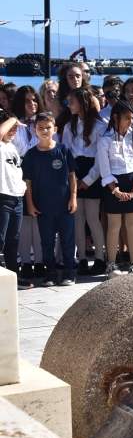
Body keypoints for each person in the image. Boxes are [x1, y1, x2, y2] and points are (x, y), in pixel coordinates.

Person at [22, 112, 78, 287]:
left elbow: (72, 176)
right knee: (46, 242)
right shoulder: (31, 155)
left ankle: (69, 271)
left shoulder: (63, 150)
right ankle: (50, 272)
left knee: (68, 240)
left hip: (64, 205)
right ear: (34, 130)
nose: (44, 130)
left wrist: (73, 198)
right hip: (43, 207)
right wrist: (30, 204)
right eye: (40, 128)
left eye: (48, 127)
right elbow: (28, 183)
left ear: (55, 129)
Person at [59, 87, 106, 277]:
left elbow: (101, 158)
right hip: (75, 171)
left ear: (83, 103)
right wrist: (75, 178)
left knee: (93, 217)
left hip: (92, 172)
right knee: (77, 218)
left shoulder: (99, 126)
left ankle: (100, 258)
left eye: (72, 101)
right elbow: (66, 152)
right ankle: (82, 259)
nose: (69, 105)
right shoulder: (69, 126)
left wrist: (88, 179)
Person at [97, 104, 133, 276]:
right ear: (116, 117)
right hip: (114, 184)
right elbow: (105, 169)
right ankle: (111, 263)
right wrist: (115, 191)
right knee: (114, 225)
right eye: (127, 118)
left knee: (132, 225)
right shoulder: (105, 140)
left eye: (132, 118)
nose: (131, 122)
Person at [11, 86, 42, 280]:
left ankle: (38, 261)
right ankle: (25, 262)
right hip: (18, 172)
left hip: (40, 172)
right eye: (27, 101)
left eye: (34, 100)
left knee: (38, 219)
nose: (32, 104)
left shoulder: (42, 123)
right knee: (24, 221)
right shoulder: (14, 124)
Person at [0, 111, 31, 290]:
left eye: (15, 128)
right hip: (2, 197)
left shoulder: (13, 148)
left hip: (16, 199)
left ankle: (13, 276)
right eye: (9, 127)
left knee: (13, 240)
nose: (13, 131)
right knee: (0, 239)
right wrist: (14, 118)